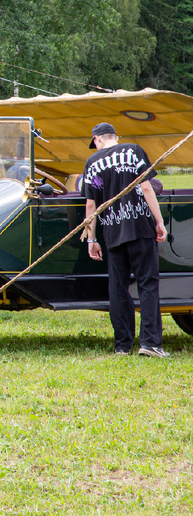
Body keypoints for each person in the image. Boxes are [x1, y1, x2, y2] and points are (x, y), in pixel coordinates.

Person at [82, 122, 168, 358]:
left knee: (118, 289)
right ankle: (150, 343)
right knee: (147, 285)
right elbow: (147, 188)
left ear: (97, 140)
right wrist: (159, 222)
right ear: (115, 137)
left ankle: (122, 346)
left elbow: (91, 204)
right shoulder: (133, 151)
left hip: (112, 233)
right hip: (140, 228)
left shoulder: (92, 163)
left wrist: (91, 239)